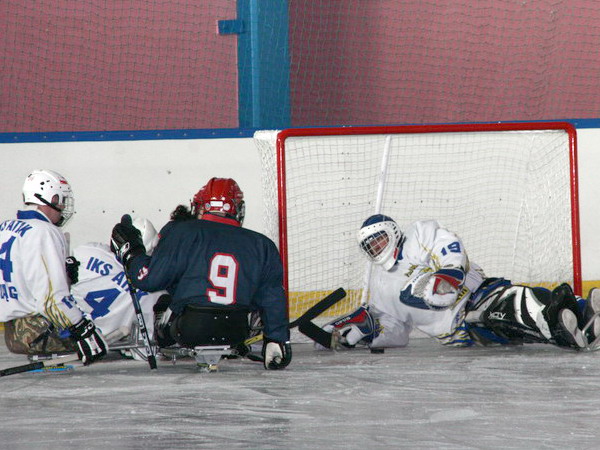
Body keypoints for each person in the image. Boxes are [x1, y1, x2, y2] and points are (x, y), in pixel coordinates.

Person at [320, 214, 600, 351]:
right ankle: (560, 326)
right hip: (460, 329)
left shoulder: (418, 235)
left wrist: (449, 274)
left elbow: (448, 245)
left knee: (520, 296)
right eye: (369, 245)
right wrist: (364, 334)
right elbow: (396, 332)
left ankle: (582, 310)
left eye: (378, 238)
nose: (375, 247)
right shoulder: (381, 287)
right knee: (504, 311)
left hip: (477, 291)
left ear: (392, 231)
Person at [110, 177, 291, 369]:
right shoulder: (262, 244)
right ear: (238, 209)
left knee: (163, 300)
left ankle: (163, 339)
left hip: (188, 329)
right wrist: (276, 339)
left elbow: (149, 280)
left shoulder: (181, 231)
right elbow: (273, 297)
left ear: (200, 207)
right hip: (237, 331)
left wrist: (132, 253)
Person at [0, 169, 107, 365]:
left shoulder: (5, 227)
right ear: (51, 196)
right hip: (39, 333)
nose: (63, 205)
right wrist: (82, 328)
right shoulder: (45, 232)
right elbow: (51, 298)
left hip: (12, 333)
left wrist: (65, 277)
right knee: (104, 328)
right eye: (61, 199)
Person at [70, 217, 168, 361]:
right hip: (95, 339)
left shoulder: (87, 252)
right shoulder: (151, 286)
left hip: (71, 329)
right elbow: (145, 349)